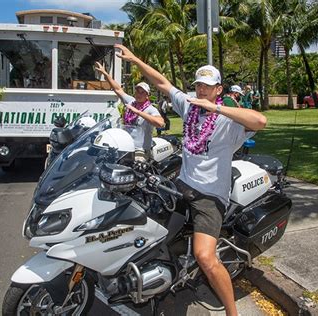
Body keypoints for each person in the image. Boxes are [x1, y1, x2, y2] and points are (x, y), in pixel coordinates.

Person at [114, 44, 267, 316]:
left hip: (210, 197)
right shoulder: (189, 107)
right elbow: (162, 82)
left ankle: (233, 313)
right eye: (198, 85)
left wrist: (217, 109)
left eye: (208, 86)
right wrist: (136, 59)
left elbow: (260, 121)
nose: (201, 90)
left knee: (206, 257)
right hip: (183, 184)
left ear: (218, 89)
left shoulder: (228, 121)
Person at [94, 61, 164, 159]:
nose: (139, 94)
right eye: (137, 91)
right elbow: (117, 89)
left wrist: (138, 112)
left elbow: (160, 123)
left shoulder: (150, 109)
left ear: (147, 96)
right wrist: (105, 73)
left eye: (142, 92)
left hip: (140, 151)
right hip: (125, 147)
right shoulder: (131, 102)